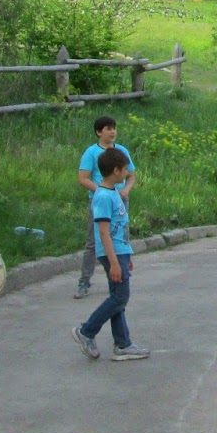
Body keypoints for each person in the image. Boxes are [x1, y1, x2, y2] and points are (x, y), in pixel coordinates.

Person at [72, 147, 149, 361]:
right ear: (116, 170)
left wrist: (126, 256)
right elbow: (104, 231)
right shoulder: (103, 196)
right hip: (112, 254)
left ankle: (123, 344)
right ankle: (86, 331)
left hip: (120, 252)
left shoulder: (113, 192)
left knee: (118, 297)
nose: (127, 173)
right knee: (119, 297)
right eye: (124, 169)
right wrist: (114, 262)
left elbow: (120, 227)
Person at [75, 116, 136, 299]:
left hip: (120, 200)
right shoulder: (91, 152)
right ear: (98, 132)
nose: (112, 132)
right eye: (108, 128)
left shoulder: (122, 151)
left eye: (114, 128)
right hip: (101, 202)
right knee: (94, 241)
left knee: (121, 235)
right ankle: (84, 281)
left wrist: (125, 190)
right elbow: (83, 178)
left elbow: (131, 175)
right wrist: (104, 191)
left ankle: (121, 273)